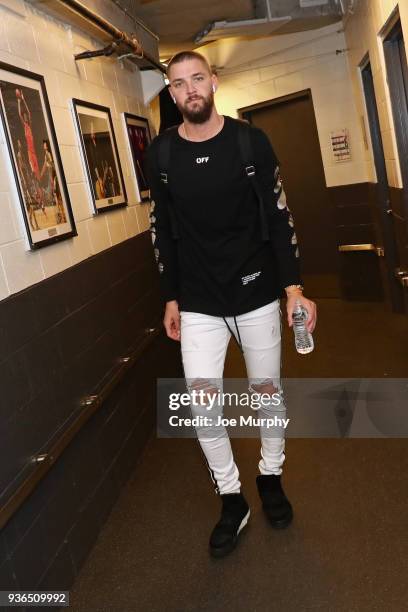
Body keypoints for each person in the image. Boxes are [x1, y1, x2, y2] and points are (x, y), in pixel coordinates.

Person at [147, 50, 317, 558]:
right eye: (179, 83)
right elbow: (163, 233)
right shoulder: (161, 155)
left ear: (213, 82)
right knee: (202, 407)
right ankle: (231, 496)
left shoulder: (250, 141)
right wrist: (171, 296)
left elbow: (281, 218)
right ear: (172, 93)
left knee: (268, 393)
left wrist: (293, 289)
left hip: (256, 290)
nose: (189, 89)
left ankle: (270, 477)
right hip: (198, 300)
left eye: (197, 78)